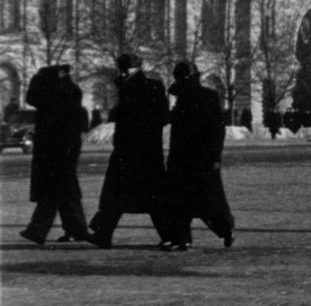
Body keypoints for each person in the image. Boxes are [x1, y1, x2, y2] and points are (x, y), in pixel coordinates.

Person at [88, 52, 170, 248]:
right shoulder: (153, 86)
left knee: (117, 196)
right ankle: (169, 235)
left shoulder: (128, 87)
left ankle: (103, 233)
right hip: (148, 152)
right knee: (151, 197)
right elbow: (164, 117)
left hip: (129, 151)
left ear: (124, 68)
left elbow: (125, 117)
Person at [160, 62, 235, 250]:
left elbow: (216, 131)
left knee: (206, 201)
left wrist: (214, 158)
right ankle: (182, 238)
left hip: (199, 159)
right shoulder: (194, 97)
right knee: (184, 200)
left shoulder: (203, 98)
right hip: (188, 159)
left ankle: (225, 230)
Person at [18, 65, 93, 245]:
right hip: (67, 148)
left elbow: (32, 98)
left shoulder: (50, 94)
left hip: (53, 148)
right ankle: (76, 229)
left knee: (55, 189)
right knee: (66, 190)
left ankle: (38, 229)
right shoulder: (70, 91)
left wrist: (40, 78)